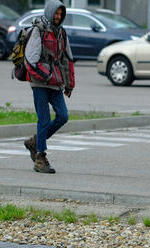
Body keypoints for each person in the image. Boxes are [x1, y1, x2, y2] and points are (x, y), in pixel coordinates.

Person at [24, 0, 75, 174]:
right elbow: (30, 60)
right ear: (49, 12)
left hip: (55, 83)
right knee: (44, 120)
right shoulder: (38, 30)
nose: (58, 17)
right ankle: (40, 158)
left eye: (61, 14)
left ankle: (35, 141)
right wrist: (45, 75)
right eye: (56, 13)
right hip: (39, 83)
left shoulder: (61, 33)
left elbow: (67, 60)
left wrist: (69, 84)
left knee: (63, 116)